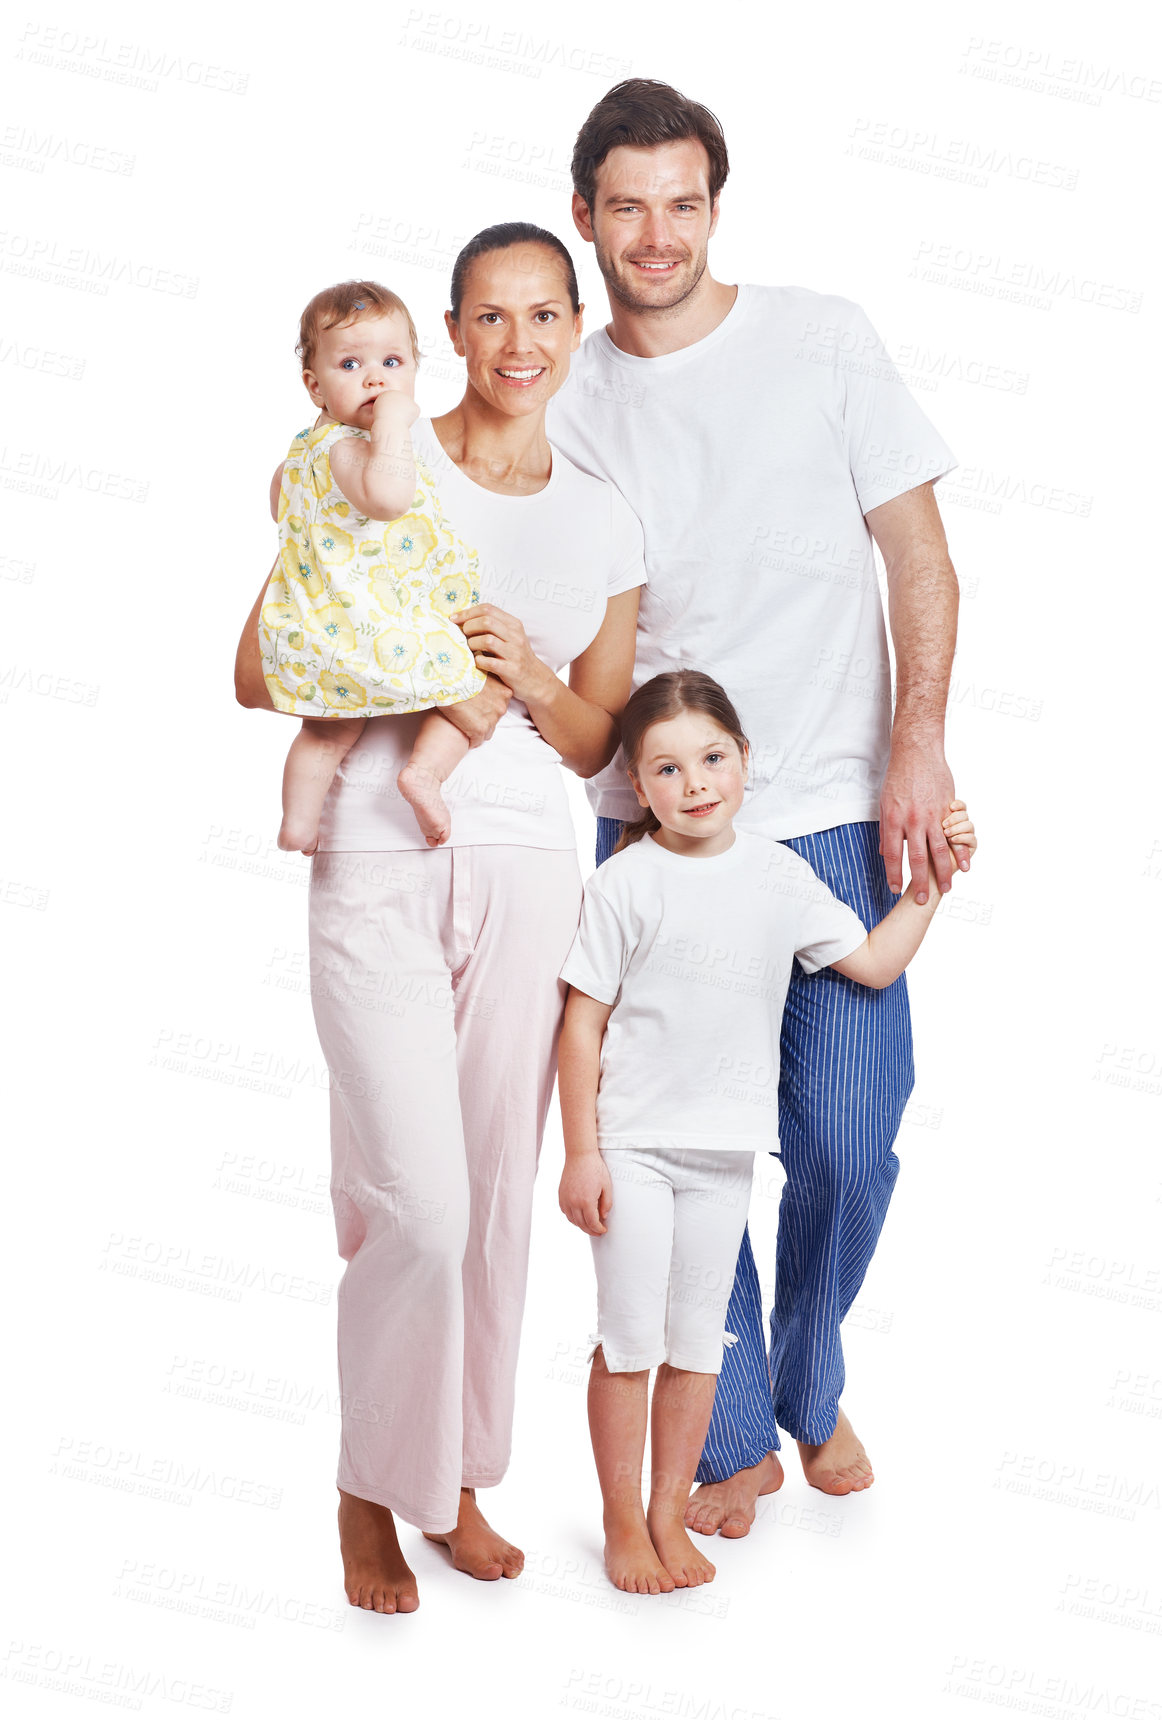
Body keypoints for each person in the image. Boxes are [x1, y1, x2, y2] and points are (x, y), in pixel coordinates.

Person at [547, 78, 964, 1527]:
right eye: (625, 206)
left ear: (714, 206)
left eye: (683, 202)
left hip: (834, 803)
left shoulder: (820, 338)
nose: (655, 235)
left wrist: (916, 745)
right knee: (676, 1137)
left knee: (849, 1136)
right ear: (584, 217)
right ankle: (729, 1434)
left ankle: (805, 1373)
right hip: (651, 818)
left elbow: (917, 555)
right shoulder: (572, 392)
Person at [235, 222, 645, 1614]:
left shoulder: (602, 513)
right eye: (489, 317)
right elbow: (257, 658)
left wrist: (524, 667)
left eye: (544, 316)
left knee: (491, 1204)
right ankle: (369, 1491)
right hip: (377, 834)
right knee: (413, 1200)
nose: (518, 344)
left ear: (574, 328)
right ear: (452, 333)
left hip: (534, 851)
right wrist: (389, 657)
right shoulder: (378, 460)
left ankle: (459, 1483)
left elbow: (600, 739)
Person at [557, 671, 976, 1594]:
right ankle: (623, 1522)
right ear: (638, 782)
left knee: (699, 1344)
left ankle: (669, 1512)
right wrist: (581, 1151)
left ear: (747, 761)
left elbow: (869, 963)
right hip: (631, 1149)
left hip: (720, 1158)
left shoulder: (782, 879)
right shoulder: (625, 883)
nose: (695, 782)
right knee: (631, 1341)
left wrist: (931, 887)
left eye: (712, 758)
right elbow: (581, 1022)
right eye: (666, 769)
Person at [261, 279, 497, 854]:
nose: (376, 379)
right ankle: (424, 772)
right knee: (475, 686)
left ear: (416, 368)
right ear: (315, 387)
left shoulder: (300, 451)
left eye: (392, 362)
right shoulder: (349, 446)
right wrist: (393, 425)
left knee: (327, 728)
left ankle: (298, 823)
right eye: (350, 364)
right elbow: (388, 500)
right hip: (380, 624)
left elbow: (281, 510)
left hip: (322, 626)